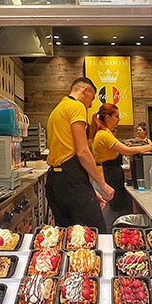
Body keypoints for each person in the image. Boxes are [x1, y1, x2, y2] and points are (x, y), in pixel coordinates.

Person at [45, 77, 114, 230]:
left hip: (55, 182)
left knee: (68, 237)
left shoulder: (57, 110)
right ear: (85, 90)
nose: (90, 105)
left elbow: (65, 153)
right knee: (96, 235)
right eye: (92, 99)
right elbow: (82, 152)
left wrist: (90, 189)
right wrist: (103, 185)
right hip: (71, 183)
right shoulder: (77, 106)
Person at [91, 104, 152, 225]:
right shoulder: (103, 134)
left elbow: (122, 148)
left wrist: (125, 147)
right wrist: (150, 146)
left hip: (110, 175)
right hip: (106, 177)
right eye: (116, 116)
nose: (119, 119)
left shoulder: (107, 133)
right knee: (108, 215)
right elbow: (126, 151)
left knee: (113, 212)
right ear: (108, 117)